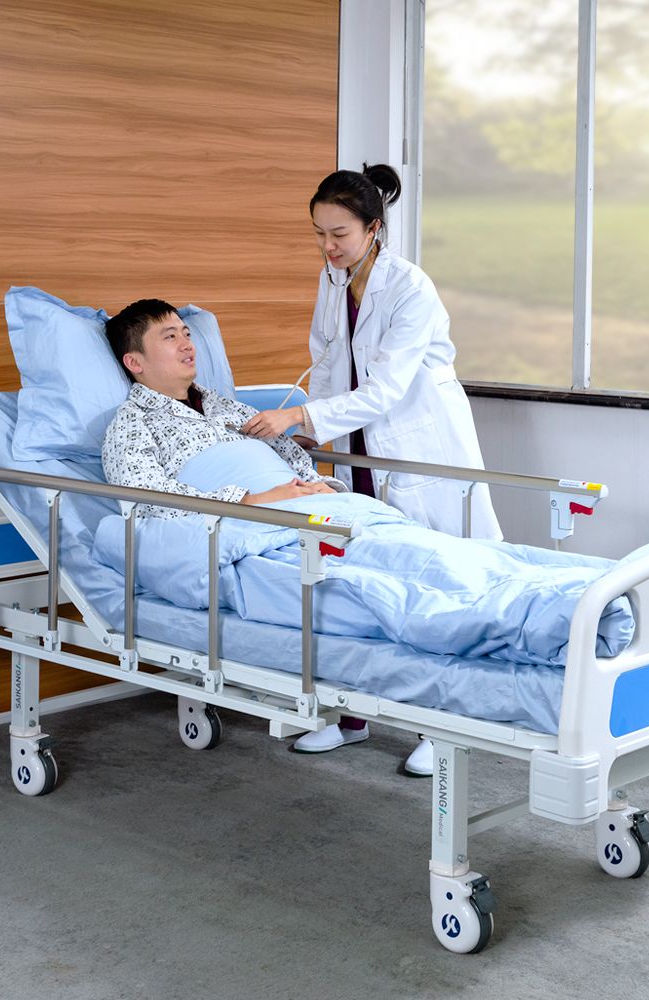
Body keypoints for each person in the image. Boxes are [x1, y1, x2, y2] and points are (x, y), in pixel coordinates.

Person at [239, 164, 502, 774]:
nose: (328, 247)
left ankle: (440, 727)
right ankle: (353, 716)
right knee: (362, 576)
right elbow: (327, 361)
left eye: (340, 234)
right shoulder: (333, 279)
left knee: (433, 579)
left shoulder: (410, 288)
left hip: (419, 446)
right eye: (319, 234)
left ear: (373, 229)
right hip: (358, 442)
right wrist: (311, 435)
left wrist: (299, 416)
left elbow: (386, 389)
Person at [101, 299, 343, 519]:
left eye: (187, 334)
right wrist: (251, 502)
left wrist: (322, 487)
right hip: (239, 526)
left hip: (312, 509)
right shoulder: (132, 423)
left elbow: (294, 460)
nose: (187, 345)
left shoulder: (230, 408)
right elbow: (145, 501)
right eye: (171, 337)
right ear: (134, 362)